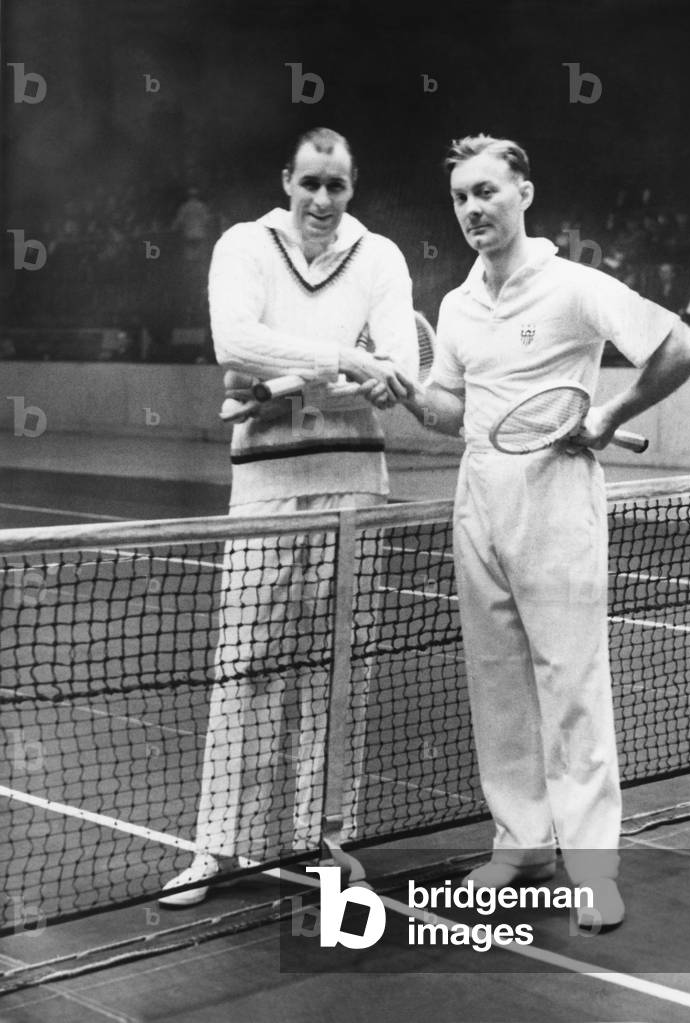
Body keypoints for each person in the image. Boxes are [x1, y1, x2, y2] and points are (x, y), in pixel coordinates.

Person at [384, 135, 690, 929]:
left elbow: (684, 346)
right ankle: (522, 841)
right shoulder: (458, 306)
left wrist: (608, 413)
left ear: (524, 191)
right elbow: (452, 409)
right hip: (478, 494)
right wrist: (408, 397)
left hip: (559, 499)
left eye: (487, 192)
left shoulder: (574, 286)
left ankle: (592, 867)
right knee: (496, 684)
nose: (472, 209)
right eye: (461, 197)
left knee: (571, 684)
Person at [160, 126, 417, 906]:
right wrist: (352, 359)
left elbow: (401, 366)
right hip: (265, 493)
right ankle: (216, 849)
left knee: (342, 670)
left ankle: (323, 842)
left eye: (336, 186)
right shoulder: (242, 244)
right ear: (286, 180)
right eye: (310, 182)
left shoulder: (382, 257)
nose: (322, 199)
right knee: (245, 667)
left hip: (355, 488)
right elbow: (231, 342)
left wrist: (297, 370)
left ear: (353, 186)